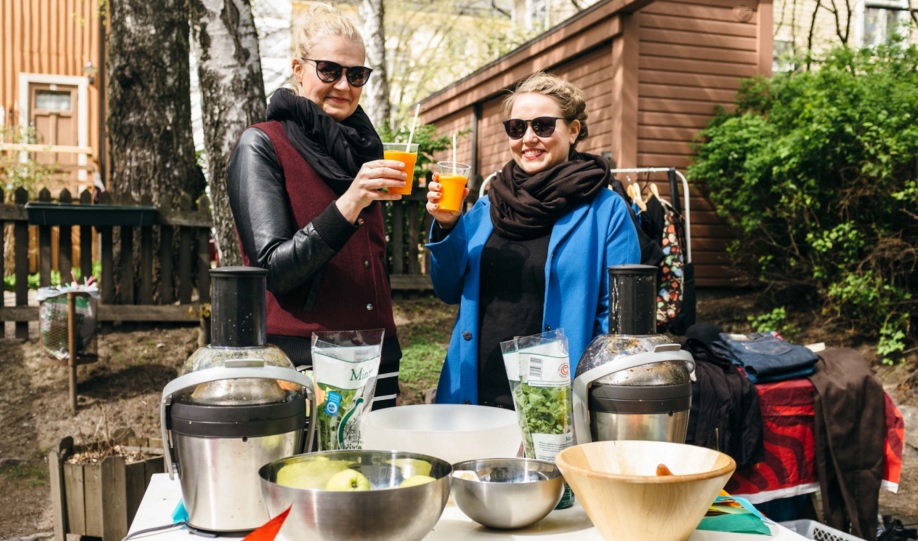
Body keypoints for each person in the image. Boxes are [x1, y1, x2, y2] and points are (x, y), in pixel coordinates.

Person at [226, 3, 406, 409]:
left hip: (379, 355)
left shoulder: (363, 148)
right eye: (329, 70)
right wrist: (350, 202)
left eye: (356, 75)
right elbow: (273, 269)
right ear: (298, 69)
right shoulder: (262, 144)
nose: (343, 85)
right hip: (302, 362)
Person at [425, 72, 641, 407]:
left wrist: (587, 393)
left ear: (573, 130)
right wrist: (447, 226)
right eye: (516, 127)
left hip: (555, 400)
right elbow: (448, 289)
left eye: (542, 126)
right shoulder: (488, 205)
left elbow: (616, 319)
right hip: (475, 390)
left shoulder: (606, 210)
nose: (528, 138)